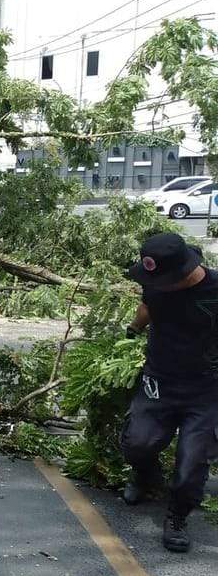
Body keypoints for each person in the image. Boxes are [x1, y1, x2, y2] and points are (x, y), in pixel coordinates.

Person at [121, 232, 218, 552]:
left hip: (204, 387)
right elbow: (147, 306)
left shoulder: (214, 291)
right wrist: (133, 330)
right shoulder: (157, 283)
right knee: (137, 443)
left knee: (192, 462)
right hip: (159, 378)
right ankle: (146, 475)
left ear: (184, 272)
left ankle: (177, 515)